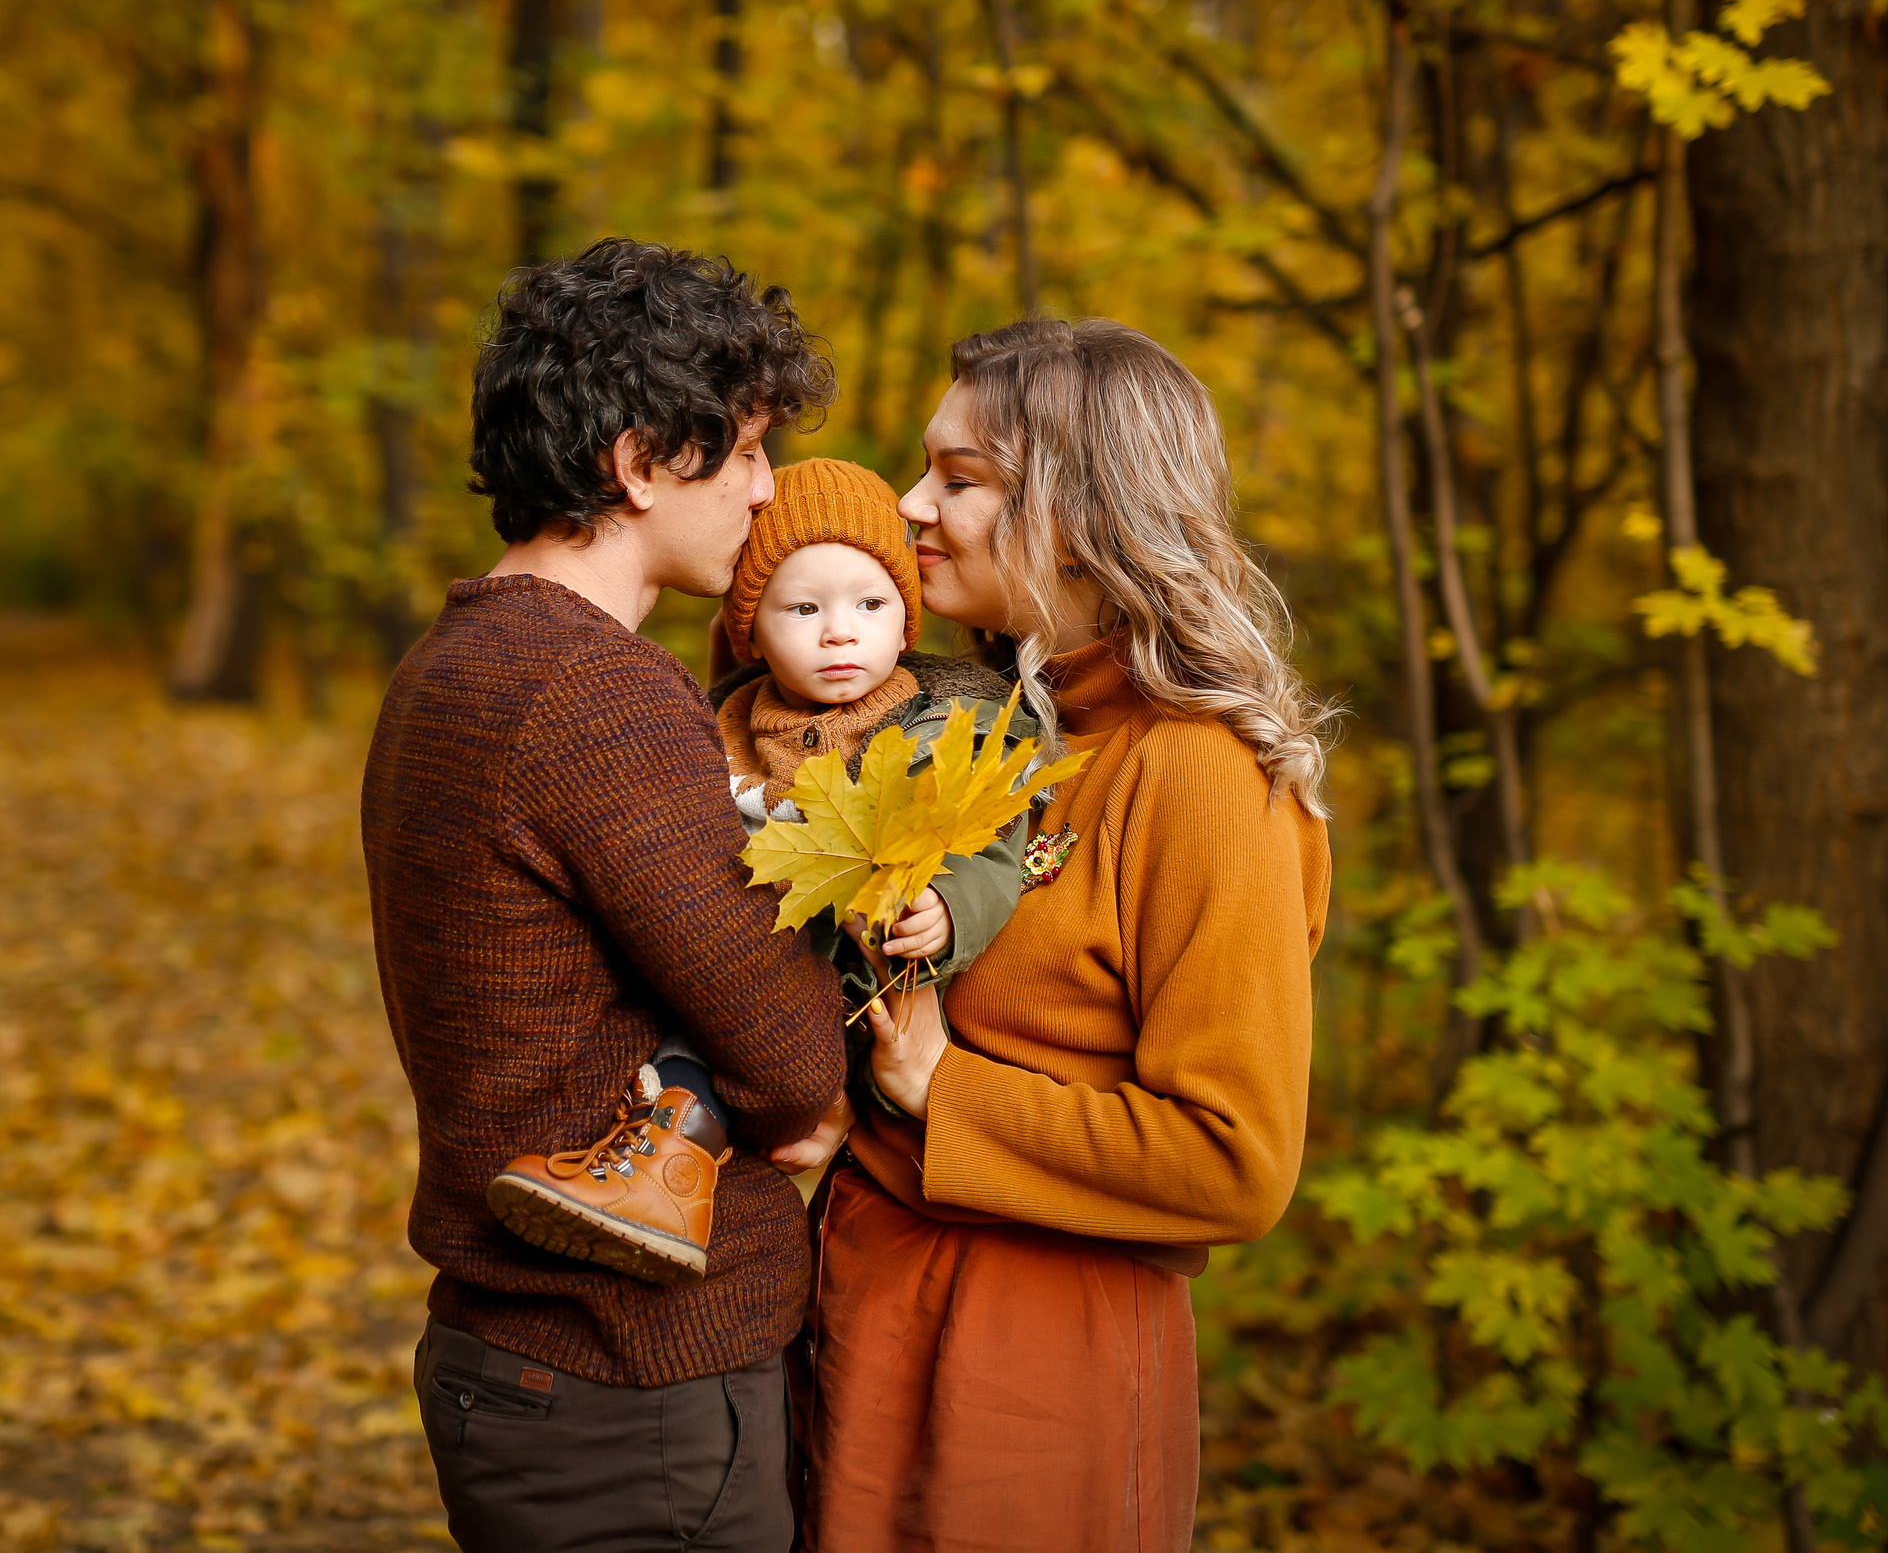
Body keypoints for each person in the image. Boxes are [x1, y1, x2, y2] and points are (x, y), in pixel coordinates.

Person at [798, 318, 1337, 1553]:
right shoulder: (977, 729)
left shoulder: (1201, 778)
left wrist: (949, 1094)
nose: (907, 502)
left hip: (1028, 1370)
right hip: (862, 1319)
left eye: (961, 478)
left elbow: (1234, 1160)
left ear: (1086, 514)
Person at [363, 239, 849, 1553]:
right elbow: (793, 1046)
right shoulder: (593, 694)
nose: (765, 490)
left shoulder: (458, 659)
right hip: (630, 1384)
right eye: (743, 450)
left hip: (531, 1365)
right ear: (639, 462)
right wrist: (799, 1088)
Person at [485, 458, 1038, 1282]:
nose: (839, 631)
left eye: (870, 605)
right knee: (682, 1029)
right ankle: (658, 1167)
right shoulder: (719, 718)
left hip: (859, 978)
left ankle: (666, 1166)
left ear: (906, 620)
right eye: (803, 608)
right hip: (733, 951)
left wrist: (950, 909)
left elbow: (994, 851)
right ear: (752, 628)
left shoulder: (944, 725)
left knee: (739, 1028)